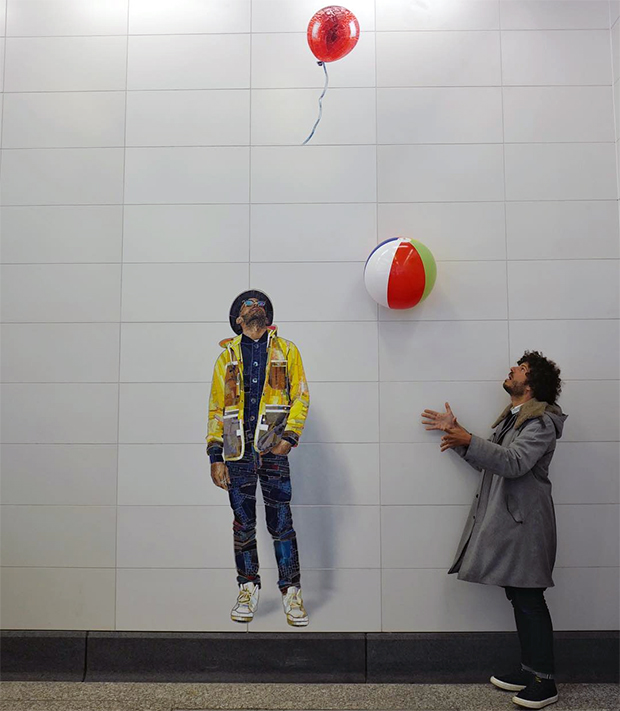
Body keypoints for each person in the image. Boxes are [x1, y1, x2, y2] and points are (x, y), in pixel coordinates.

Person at [422, 351, 566, 710]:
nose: (512, 369)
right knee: (520, 597)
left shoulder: (541, 421)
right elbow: (492, 464)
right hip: (513, 523)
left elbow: (514, 463)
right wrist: (459, 440)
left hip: (526, 524)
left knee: (530, 599)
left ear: (531, 383)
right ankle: (530, 669)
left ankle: (545, 682)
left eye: (521, 368)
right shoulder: (515, 419)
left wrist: (467, 437)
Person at [207, 290, 310, 626]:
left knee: (282, 525)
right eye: (247, 306)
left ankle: (291, 592)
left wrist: (288, 439)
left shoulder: (287, 350)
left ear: (269, 316)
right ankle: (248, 587)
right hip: (236, 454)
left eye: (260, 305)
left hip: (273, 451)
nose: (255, 308)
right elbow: (216, 409)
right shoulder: (226, 358)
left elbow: (301, 397)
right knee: (243, 525)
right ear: (238, 319)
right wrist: (215, 455)